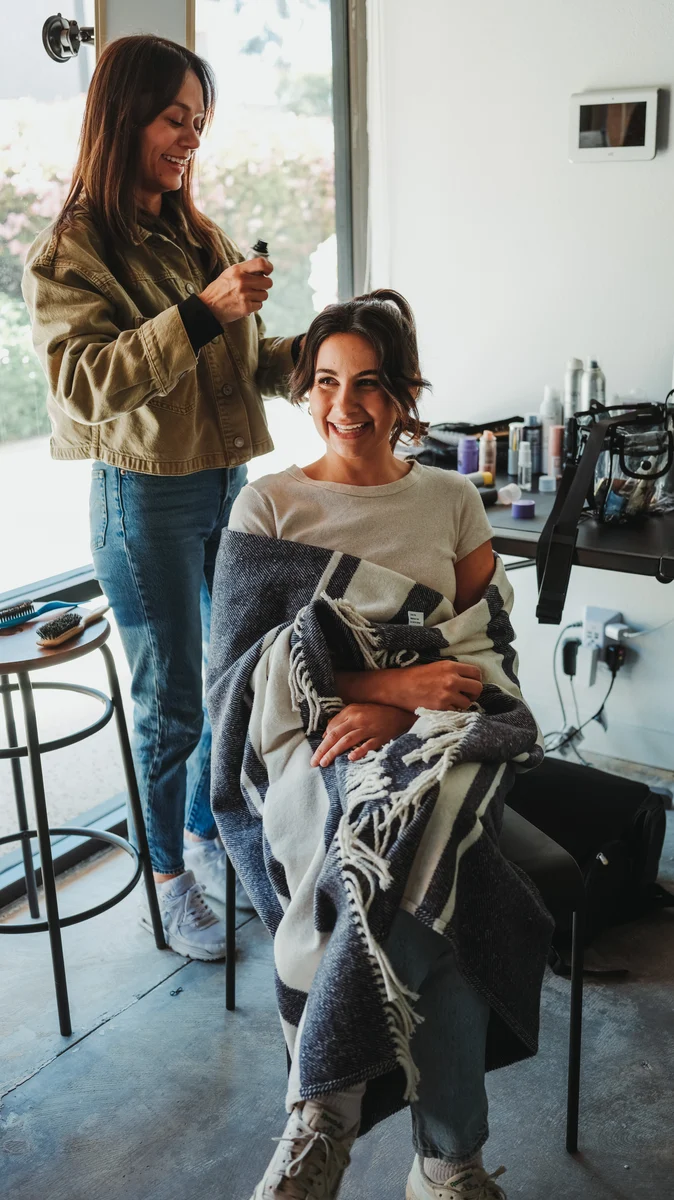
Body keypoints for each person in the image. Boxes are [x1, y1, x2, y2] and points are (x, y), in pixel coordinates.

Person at [218, 290, 549, 1200]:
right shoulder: (268, 507)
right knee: (443, 880)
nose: (345, 405)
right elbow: (241, 683)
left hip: (448, 740)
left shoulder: (449, 498)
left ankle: (320, 1111)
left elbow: (486, 656)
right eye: (325, 381)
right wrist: (376, 689)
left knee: (421, 830)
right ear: (305, 389)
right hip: (311, 748)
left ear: (405, 396)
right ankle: (451, 1167)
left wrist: (410, 713)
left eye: (369, 384)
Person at [22, 35, 304, 960]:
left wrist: (318, 359)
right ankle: (169, 882)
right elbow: (87, 385)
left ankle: (200, 833)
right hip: (144, 504)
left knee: (233, 686)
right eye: (174, 119)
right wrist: (201, 311)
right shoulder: (71, 251)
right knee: (172, 702)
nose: (189, 138)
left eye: (198, 123)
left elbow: (243, 364)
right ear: (122, 117)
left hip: (228, 486)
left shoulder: (198, 234)